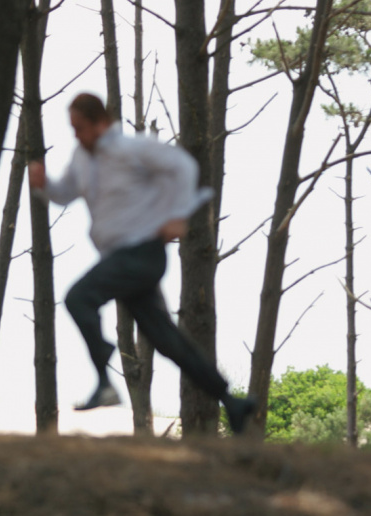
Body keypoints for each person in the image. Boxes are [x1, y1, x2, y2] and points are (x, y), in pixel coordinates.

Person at [28, 92, 256, 434]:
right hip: (120, 260)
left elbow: (183, 167)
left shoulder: (131, 149)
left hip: (142, 254)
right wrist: (44, 185)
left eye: (79, 127)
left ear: (99, 123)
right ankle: (231, 401)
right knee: (166, 340)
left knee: (79, 297)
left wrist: (178, 215)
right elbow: (65, 193)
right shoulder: (81, 158)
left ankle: (104, 380)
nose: (75, 135)